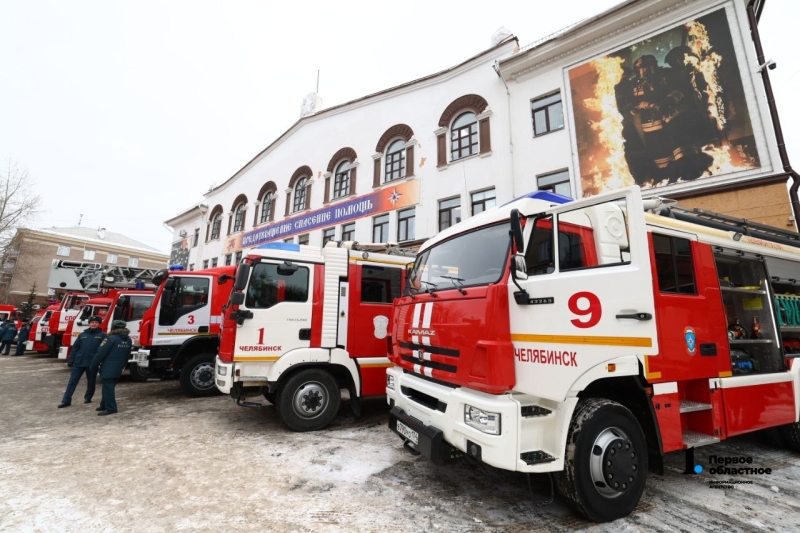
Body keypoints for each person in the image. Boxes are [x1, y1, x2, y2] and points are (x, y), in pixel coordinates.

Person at [58, 316, 106, 408]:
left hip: (92, 363)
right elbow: (75, 348)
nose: (94, 324)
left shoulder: (102, 336)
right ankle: (66, 400)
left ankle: (88, 397)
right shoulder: (82, 335)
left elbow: (103, 350)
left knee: (91, 381)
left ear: (99, 324)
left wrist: (100, 361)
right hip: (79, 362)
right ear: (89, 323)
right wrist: (71, 360)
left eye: (96, 322)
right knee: (72, 381)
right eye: (92, 322)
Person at [90, 319, 133, 416]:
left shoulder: (110, 339)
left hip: (108, 366)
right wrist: (123, 365)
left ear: (113, 327)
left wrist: (93, 365)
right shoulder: (128, 340)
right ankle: (104, 404)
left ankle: (111, 407)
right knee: (108, 386)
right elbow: (127, 354)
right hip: (119, 366)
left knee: (108, 387)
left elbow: (100, 353)